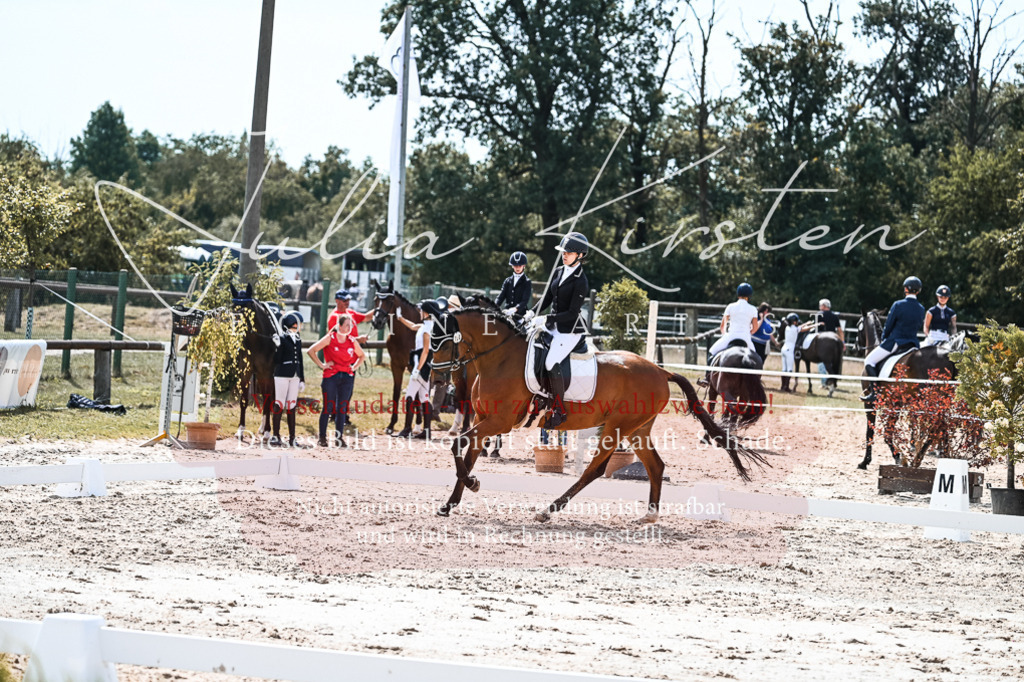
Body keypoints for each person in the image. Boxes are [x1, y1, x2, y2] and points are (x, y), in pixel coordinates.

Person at [523, 232, 590, 429]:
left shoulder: (581, 280)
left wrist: (546, 318)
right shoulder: (559, 271)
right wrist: (531, 312)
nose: (564, 255)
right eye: (563, 252)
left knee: (552, 360)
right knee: (532, 348)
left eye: (568, 252)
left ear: (579, 255)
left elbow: (571, 312)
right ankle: (542, 396)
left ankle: (559, 410)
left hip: (570, 330)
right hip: (552, 325)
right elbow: (546, 299)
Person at [860, 276, 927, 401]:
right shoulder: (921, 308)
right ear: (918, 291)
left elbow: (889, 325)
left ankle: (874, 393)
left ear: (906, 289)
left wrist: (884, 339)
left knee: (869, 360)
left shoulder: (898, 305)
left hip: (896, 342)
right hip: (913, 344)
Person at [307, 315, 365, 448]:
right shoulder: (330, 338)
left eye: (351, 326)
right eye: (346, 326)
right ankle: (322, 437)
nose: (349, 328)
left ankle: (339, 438)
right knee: (328, 407)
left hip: (346, 378)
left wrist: (354, 367)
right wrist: (322, 365)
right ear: (339, 326)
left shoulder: (351, 340)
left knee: (342, 408)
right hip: (331, 377)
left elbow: (362, 356)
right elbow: (311, 351)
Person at [699, 283, 760, 387]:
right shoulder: (753, 309)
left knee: (711, 352)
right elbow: (754, 328)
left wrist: (725, 335)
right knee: (756, 359)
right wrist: (748, 332)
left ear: (738, 294)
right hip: (746, 338)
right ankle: (756, 383)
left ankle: (707, 378)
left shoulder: (730, 306)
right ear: (749, 295)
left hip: (730, 336)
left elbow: (722, 326)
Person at [393, 300, 435, 439]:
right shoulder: (426, 325)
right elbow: (412, 326)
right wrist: (400, 318)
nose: (419, 313)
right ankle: (427, 431)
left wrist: (417, 369)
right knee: (424, 397)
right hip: (424, 364)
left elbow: (425, 351)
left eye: (421, 310)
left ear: (427, 312)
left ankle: (406, 428)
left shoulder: (427, 329)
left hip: (421, 363)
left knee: (409, 395)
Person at [271, 312, 306, 448]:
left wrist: (302, 378)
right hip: (282, 375)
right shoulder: (282, 338)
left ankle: (292, 438)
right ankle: (276, 435)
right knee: (279, 403)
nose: (300, 326)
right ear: (293, 324)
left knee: (291, 405)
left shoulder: (297, 339)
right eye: (299, 324)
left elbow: (300, 361)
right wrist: (278, 346)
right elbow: (277, 360)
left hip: (294, 376)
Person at [495, 251, 532, 320]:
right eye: (515, 266)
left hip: (520, 315)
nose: (517, 268)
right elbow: (501, 297)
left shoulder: (527, 282)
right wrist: (494, 306)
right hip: (507, 313)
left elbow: (525, 301)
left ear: (524, 265)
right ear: (512, 266)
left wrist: (515, 309)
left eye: (519, 266)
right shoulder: (507, 281)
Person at [780, 313, 801, 392]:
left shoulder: (787, 327)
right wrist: (814, 325)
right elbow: (803, 328)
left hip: (784, 348)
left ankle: (783, 386)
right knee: (789, 369)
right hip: (790, 350)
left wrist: (808, 323)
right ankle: (786, 386)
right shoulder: (794, 329)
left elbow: (801, 327)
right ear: (794, 321)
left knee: (784, 369)